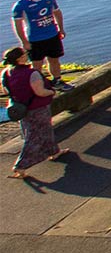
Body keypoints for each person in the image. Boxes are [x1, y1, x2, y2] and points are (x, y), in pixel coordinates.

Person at [4, 45, 65, 179]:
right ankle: (20, 166)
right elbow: (40, 92)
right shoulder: (32, 73)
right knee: (33, 137)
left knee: (44, 130)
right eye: (24, 54)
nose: (27, 55)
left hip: (21, 108)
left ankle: (53, 152)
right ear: (21, 58)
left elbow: (6, 91)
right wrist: (52, 92)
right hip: (37, 108)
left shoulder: (6, 73)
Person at [11, 0, 67, 89]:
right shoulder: (21, 5)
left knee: (54, 60)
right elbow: (18, 25)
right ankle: (38, 86)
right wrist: (24, 41)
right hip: (35, 39)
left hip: (52, 34)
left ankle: (57, 81)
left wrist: (61, 29)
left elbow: (57, 12)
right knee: (37, 65)